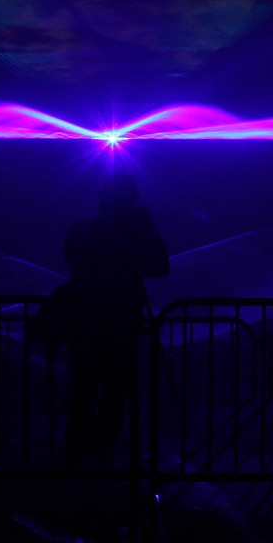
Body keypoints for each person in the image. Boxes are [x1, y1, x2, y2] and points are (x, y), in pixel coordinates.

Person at [61, 173, 168, 464]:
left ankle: (78, 447)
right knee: (112, 388)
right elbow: (160, 266)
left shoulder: (80, 231)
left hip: (87, 319)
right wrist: (145, 230)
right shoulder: (132, 234)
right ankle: (102, 448)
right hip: (121, 320)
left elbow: (74, 262)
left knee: (84, 385)